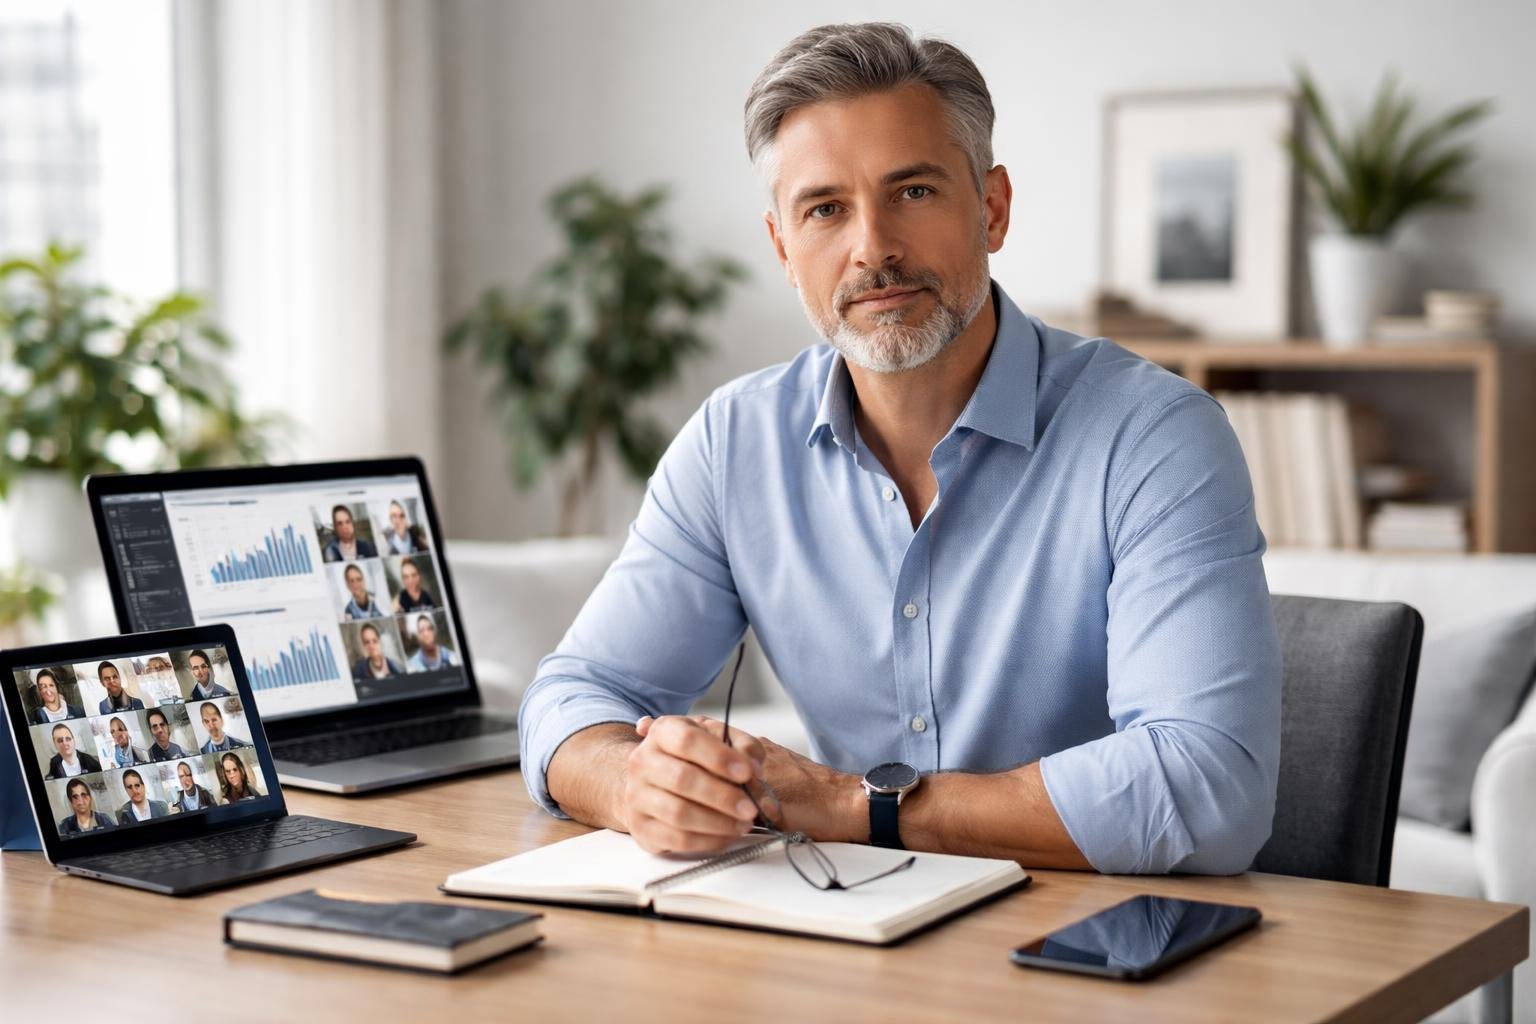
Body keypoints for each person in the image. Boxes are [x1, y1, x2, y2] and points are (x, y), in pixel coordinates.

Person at [519, 24, 1280, 874]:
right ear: (782, 247)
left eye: (912, 192)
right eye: (824, 209)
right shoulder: (735, 444)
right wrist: (637, 784)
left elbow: (1209, 791)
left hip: (1100, 943)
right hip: (850, 933)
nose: (872, 246)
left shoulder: (1152, 437)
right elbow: (569, 699)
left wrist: (854, 808)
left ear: (992, 207)